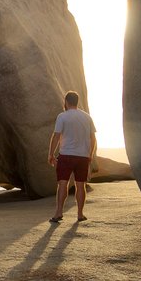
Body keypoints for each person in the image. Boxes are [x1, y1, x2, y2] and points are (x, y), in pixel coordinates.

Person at [47, 91, 96, 223]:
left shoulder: (62, 116)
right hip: (82, 157)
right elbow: (93, 138)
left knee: (63, 184)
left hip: (66, 155)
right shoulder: (87, 117)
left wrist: (51, 154)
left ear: (66, 101)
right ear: (77, 101)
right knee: (81, 186)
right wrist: (90, 155)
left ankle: (58, 213)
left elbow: (56, 136)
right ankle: (80, 214)